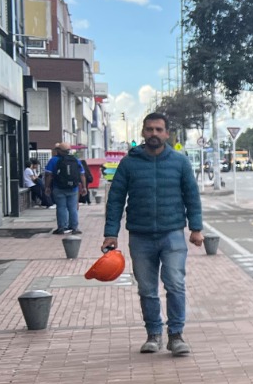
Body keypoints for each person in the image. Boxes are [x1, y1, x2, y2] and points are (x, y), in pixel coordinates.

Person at [101, 113, 205, 356]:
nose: (154, 134)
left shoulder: (180, 162)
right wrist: (110, 233)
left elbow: (192, 197)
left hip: (172, 234)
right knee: (147, 289)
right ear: (143, 133)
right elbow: (115, 199)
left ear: (167, 134)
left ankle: (176, 335)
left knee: (175, 284)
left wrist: (196, 228)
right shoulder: (129, 163)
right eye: (149, 130)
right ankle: (153, 334)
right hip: (140, 235)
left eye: (159, 130)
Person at [45, 143, 86, 234]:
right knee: (73, 208)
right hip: (73, 189)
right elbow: (82, 174)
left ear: (59, 150)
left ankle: (62, 228)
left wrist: (47, 187)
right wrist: (84, 187)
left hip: (58, 188)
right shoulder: (75, 160)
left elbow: (49, 175)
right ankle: (74, 228)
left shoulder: (53, 160)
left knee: (61, 207)